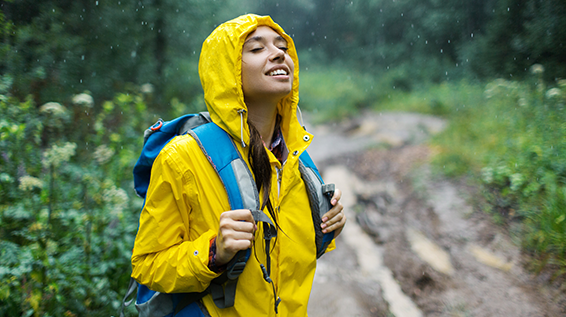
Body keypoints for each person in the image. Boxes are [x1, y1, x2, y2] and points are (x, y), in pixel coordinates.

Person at [131, 14, 346, 316]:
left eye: (282, 46)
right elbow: (147, 265)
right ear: (226, 72)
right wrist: (213, 251)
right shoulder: (183, 157)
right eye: (257, 49)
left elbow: (285, 264)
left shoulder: (297, 159)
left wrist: (327, 226)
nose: (278, 54)